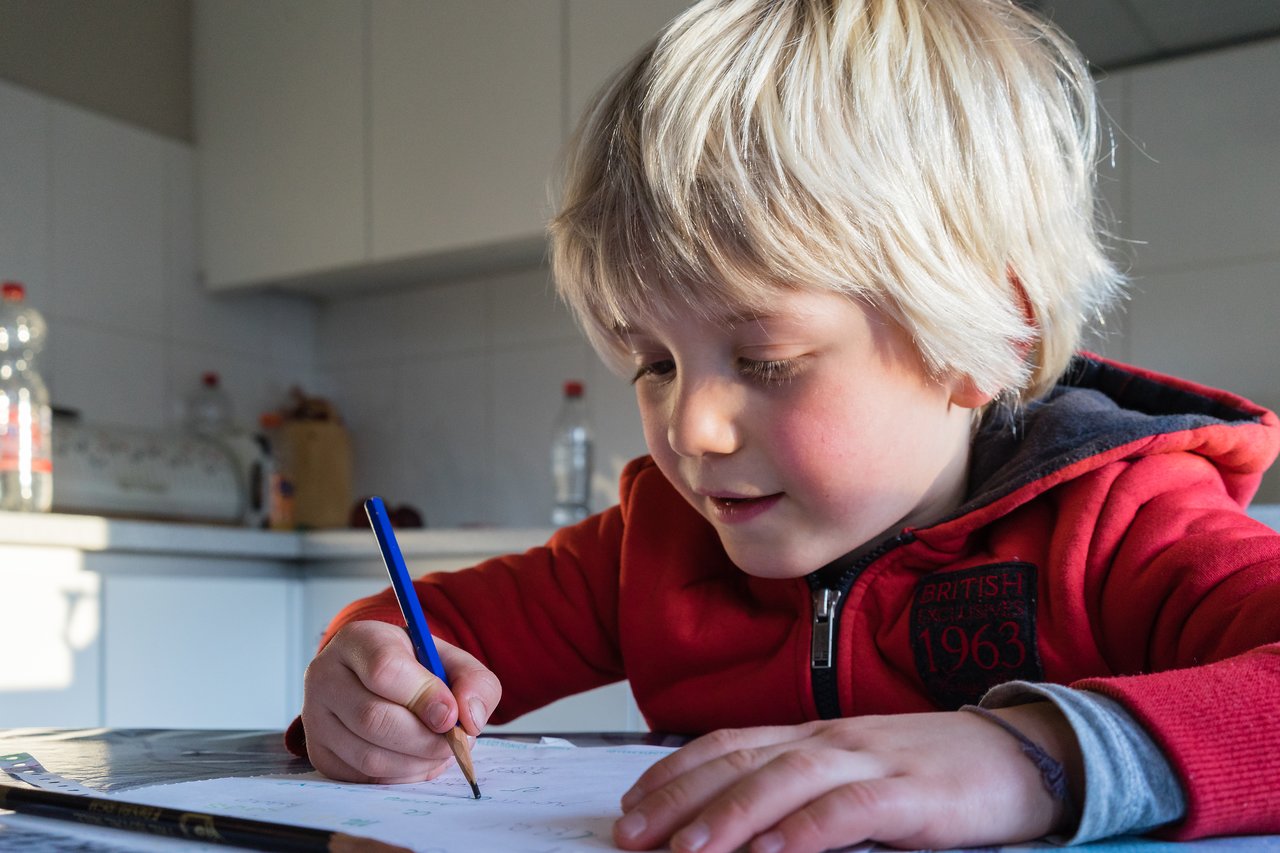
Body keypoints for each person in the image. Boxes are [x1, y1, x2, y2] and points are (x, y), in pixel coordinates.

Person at [291, 0, 1280, 850]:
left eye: (765, 359)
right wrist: (371, 677)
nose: (692, 426)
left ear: (984, 343)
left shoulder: (1121, 526)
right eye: (652, 361)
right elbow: (416, 636)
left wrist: (1035, 755)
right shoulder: (652, 548)